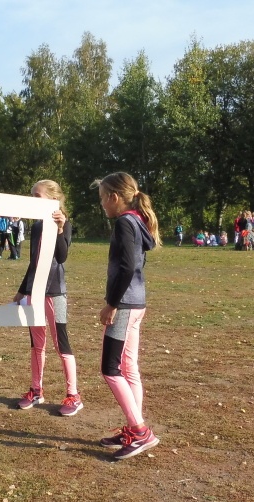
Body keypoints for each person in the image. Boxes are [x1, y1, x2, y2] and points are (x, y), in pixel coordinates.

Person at [94, 172, 161, 460]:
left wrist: (111, 304)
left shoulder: (124, 222)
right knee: (128, 367)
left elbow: (128, 266)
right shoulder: (137, 221)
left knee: (110, 369)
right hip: (137, 303)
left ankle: (140, 431)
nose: (101, 205)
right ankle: (135, 429)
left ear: (114, 197)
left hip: (124, 305)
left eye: (102, 199)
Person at [16, 180, 83, 417]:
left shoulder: (64, 224)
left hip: (55, 293)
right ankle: (36, 390)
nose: (33, 199)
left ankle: (73, 395)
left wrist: (61, 229)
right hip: (34, 293)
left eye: (37, 195)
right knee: (37, 345)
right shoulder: (36, 227)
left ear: (53, 199)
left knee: (61, 343)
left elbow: (62, 256)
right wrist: (22, 290)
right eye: (32, 195)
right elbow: (33, 263)